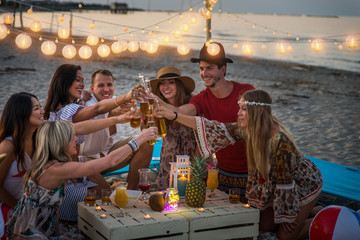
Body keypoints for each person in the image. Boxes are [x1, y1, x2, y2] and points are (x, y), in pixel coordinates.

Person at [157, 89, 323, 240]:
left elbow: (285, 185)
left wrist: (290, 217)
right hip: (278, 185)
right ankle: (311, 211)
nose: (238, 113)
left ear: (259, 111)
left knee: (285, 235)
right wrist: (174, 116)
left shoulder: (280, 143)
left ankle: (319, 217)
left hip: (302, 185)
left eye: (243, 109)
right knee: (264, 227)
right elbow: (214, 128)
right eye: (239, 108)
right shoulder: (249, 129)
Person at [0, 92, 131, 239]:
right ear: (22, 113)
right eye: (36, 108)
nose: (43, 111)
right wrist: (19, 208)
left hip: (39, 207)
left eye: (40, 106)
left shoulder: (42, 132)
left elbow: (79, 127)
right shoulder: (8, 146)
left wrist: (119, 119)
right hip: (12, 210)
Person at [5, 120, 157, 239]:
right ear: (61, 141)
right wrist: (140, 138)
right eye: (73, 136)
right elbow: (109, 162)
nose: (77, 139)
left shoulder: (49, 164)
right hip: (30, 233)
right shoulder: (56, 170)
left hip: (35, 225)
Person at [43, 64, 144, 222]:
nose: (81, 84)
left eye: (82, 80)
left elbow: (97, 111)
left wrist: (84, 96)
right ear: (65, 82)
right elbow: (97, 109)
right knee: (110, 199)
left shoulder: (65, 107)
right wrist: (125, 97)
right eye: (77, 80)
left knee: (109, 193)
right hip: (66, 179)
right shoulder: (67, 111)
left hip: (77, 171)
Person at [159, 42, 255, 195]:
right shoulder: (203, 98)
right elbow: (179, 111)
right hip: (222, 176)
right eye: (201, 69)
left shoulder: (245, 91)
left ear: (223, 69)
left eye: (209, 68)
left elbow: (261, 126)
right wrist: (154, 101)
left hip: (253, 174)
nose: (204, 73)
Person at [80, 69, 154, 190]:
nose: (106, 89)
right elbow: (99, 111)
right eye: (101, 85)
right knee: (82, 162)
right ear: (92, 89)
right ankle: (111, 194)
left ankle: (130, 191)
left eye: (109, 85)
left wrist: (144, 113)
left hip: (108, 154)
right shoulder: (87, 106)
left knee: (144, 142)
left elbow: (143, 128)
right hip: (89, 160)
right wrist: (115, 113)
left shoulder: (116, 101)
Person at [149, 66, 197, 190]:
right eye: (162, 83)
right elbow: (147, 131)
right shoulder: (156, 106)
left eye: (171, 82)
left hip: (192, 165)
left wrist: (196, 168)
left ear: (179, 85)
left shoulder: (193, 102)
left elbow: (203, 133)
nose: (166, 87)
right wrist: (146, 116)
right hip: (167, 165)